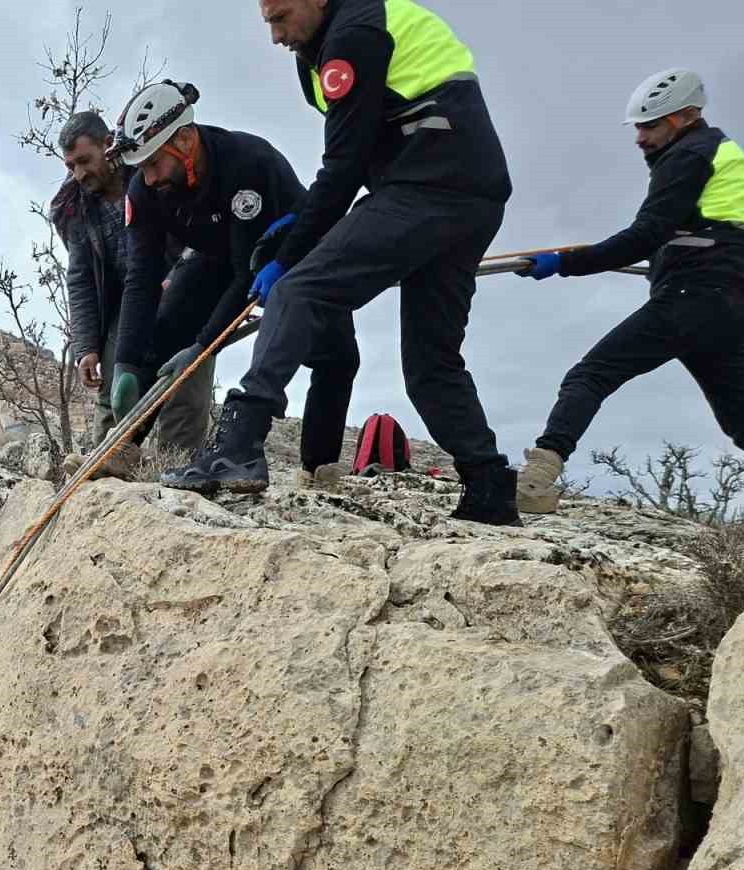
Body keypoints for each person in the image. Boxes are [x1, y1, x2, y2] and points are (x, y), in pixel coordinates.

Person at [169, 0, 518, 524]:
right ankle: (489, 486)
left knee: (300, 290)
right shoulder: (334, 38)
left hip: (428, 186)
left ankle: (238, 445)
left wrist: (290, 254)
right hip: (470, 196)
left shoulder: (353, 35)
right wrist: (301, 225)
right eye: (267, 20)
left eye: (280, 17)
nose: (274, 35)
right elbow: (354, 157)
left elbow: (345, 164)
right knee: (431, 364)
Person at [109, 79, 361, 490]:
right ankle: (124, 446)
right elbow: (142, 278)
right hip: (218, 254)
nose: (149, 178)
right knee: (165, 331)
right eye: (142, 168)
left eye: (154, 164)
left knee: (336, 358)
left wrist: (204, 344)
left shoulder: (245, 163)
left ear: (186, 140)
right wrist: (125, 362)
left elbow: (248, 274)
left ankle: (318, 468)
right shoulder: (144, 190)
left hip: (287, 247)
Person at [513, 69, 744, 514]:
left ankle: (535, 483)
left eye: (650, 125)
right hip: (726, 303)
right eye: (638, 126)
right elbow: (707, 234)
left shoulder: (689, 155)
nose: (639, 137)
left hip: (693, 297)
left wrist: (564, 263)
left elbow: (645, 234)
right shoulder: (722, 153)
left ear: (686, 116)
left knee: (590, 375)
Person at [52, 109, 219, 470]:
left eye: (85, 160)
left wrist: (182, 276)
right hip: (126, 306)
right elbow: (80, 278)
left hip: (186, 291)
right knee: (115, 394)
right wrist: (86, 347)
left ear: (108, 145)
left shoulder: (153, 170)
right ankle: (106, 471)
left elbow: (202, 227)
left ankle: (179, 474)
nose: (79, 174)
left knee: (185, 389)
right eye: (71, 166)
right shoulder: (75, 209)